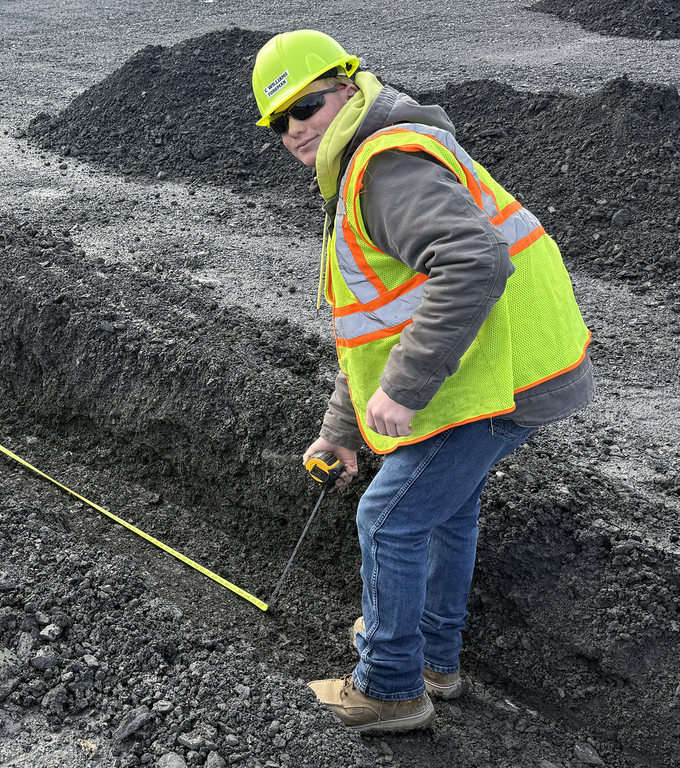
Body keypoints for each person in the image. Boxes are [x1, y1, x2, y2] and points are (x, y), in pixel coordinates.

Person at [251, 30, 594, 732]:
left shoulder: (384, 167)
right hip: (497, 367)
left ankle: (389, 686)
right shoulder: (366, 167)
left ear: (347, 87)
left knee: (389, 518)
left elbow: (474, 264)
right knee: (445, 509)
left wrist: (404, 390)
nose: (293, 130)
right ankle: (434, 658)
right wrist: (341, 433)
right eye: (278, 120)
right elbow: (376, 326)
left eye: (306, 106)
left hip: (500, 375)